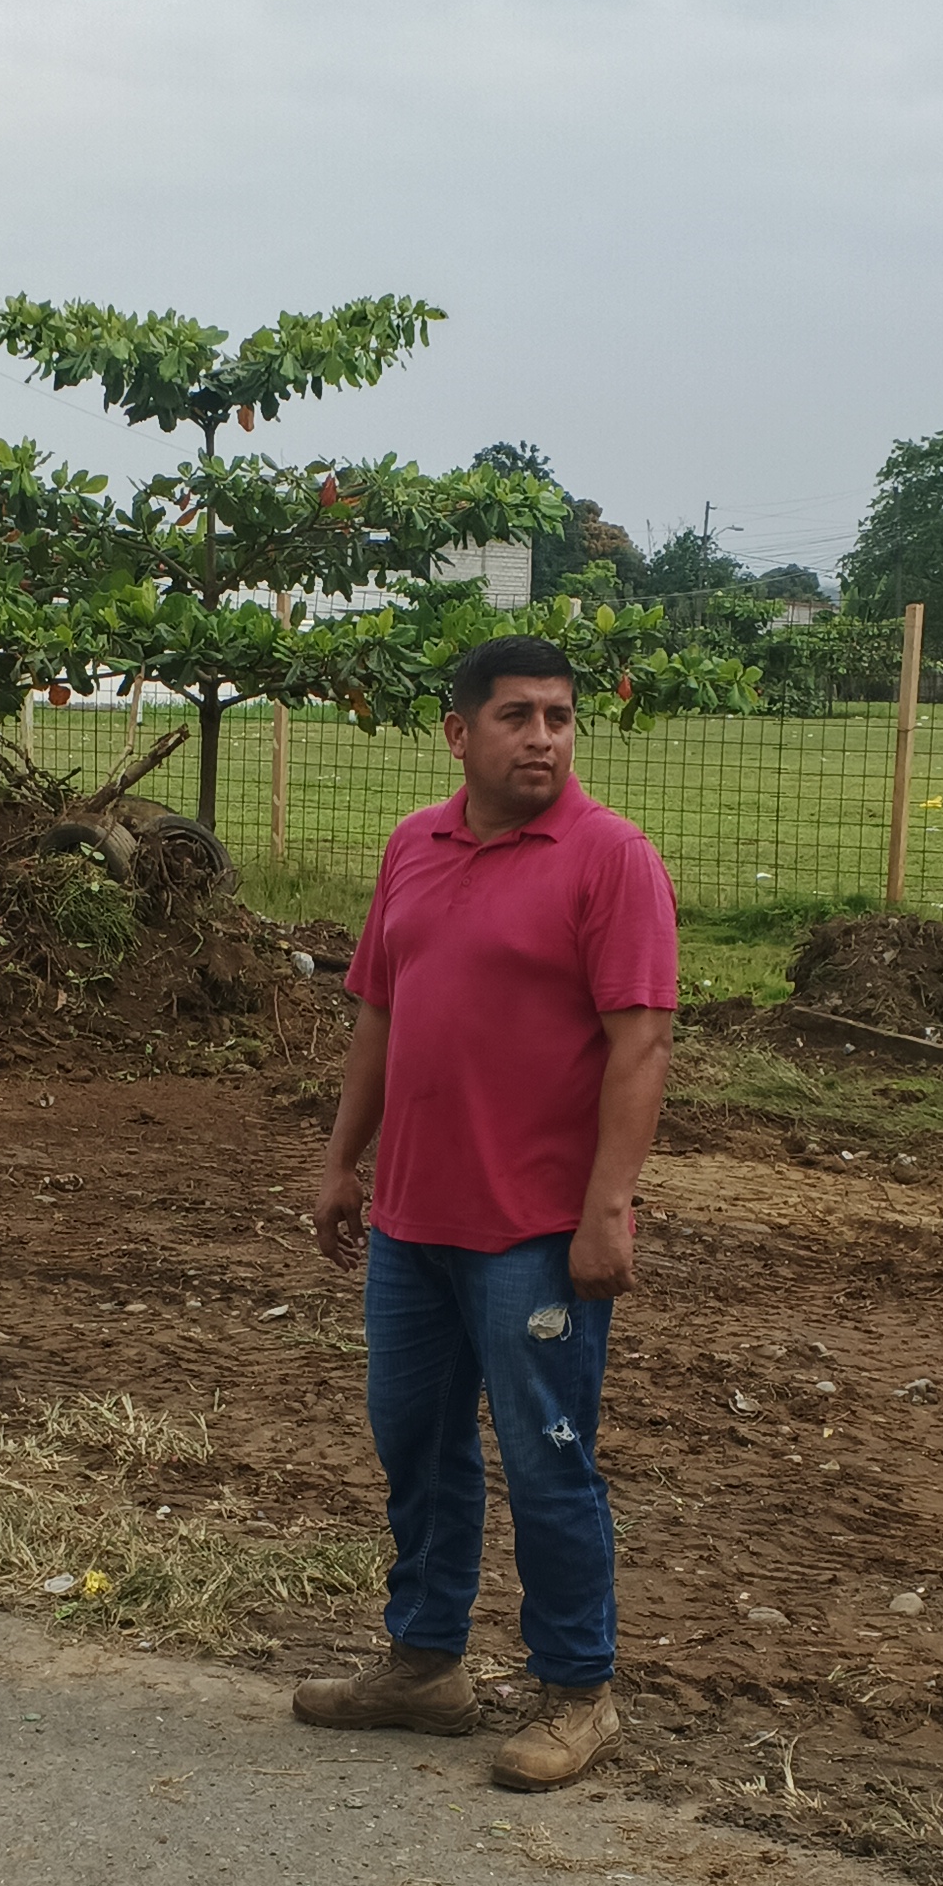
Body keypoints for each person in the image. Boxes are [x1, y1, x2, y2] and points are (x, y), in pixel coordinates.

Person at [293, 637, 677, 1790]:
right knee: (414, 1444)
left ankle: (578, 1690)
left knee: (546, 1457)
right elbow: (379, 1015)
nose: (542, 738)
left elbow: (639, 1044)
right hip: (412, 1222)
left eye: (559, 716)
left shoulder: (610, 858)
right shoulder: (412, 845)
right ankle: (423, 1663)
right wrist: (339, 1163)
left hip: (534, 1235)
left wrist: (606, 1209)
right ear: (458, 733)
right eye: (517, 716)